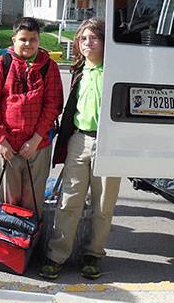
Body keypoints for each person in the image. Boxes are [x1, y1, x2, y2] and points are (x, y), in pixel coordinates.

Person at [40, 18, 121, 280]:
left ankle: (93, 255)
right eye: (83, 38)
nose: (88, 43)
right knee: (69, 200)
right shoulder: (79, 70)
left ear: (104, 41)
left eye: (94, 38)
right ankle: (57, 255)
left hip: (109, 143)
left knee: (102, 204)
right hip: (79, 139)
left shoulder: (115, 71)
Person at [0, 17, 63, 217]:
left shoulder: (48, 67)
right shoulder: (2, 64)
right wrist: (1, 139)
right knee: (5, 204)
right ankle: (5, 246)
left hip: (37, 145)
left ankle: (29, 246)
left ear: (39, 39)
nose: (28, 44)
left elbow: (53, 105)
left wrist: (35, 139)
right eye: (23, 39)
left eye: (33, 39)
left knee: (32, 204)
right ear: (14, 39)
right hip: (5, 145)